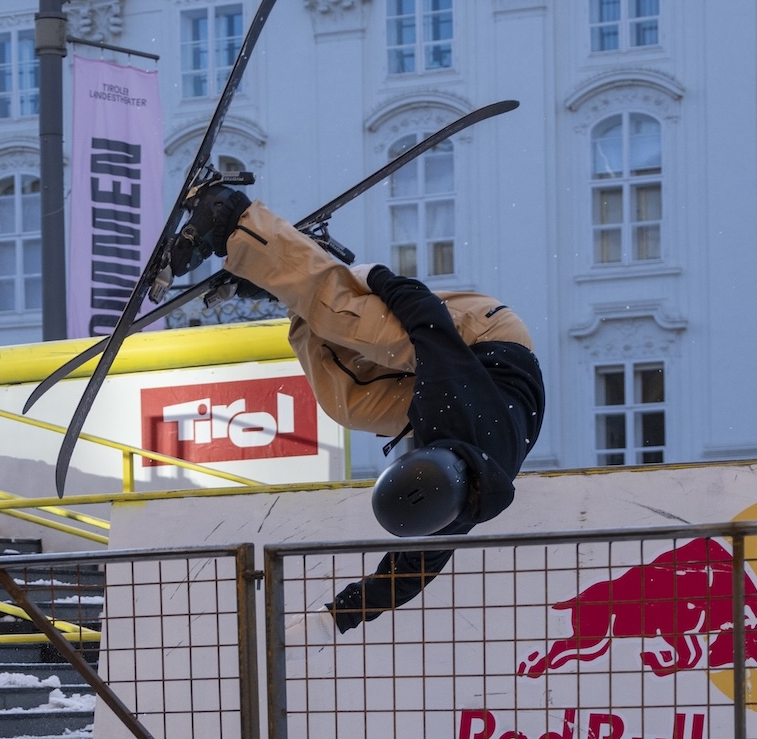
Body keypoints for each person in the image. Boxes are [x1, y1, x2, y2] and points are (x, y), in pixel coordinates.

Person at [163, 185, 546, 639]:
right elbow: (426, 317)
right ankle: (233, 216)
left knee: (346, 402)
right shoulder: (452, 395)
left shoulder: (459, 507)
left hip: (472, 387)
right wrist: (375, 276)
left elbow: (406, 577)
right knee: (346, 318)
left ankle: (291, 276)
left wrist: (334, 620)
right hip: (481, 336)